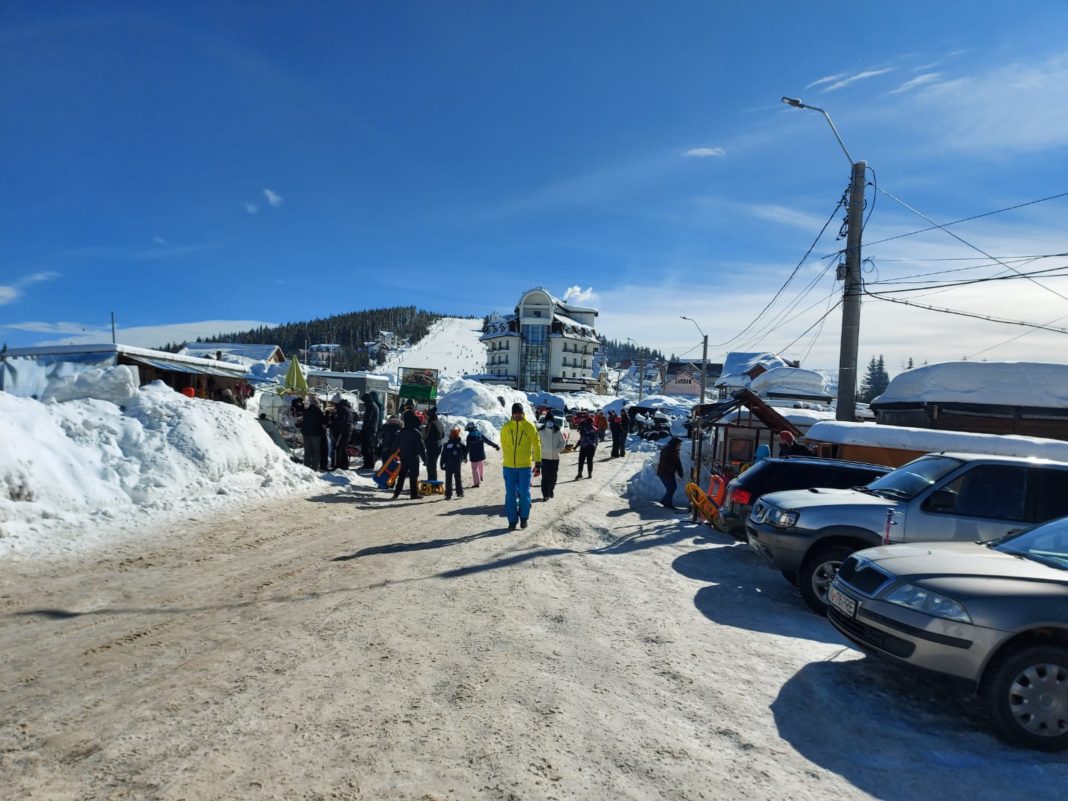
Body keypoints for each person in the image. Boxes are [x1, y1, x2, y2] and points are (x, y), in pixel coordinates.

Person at [499, 402, 541, 530]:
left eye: (519, 413)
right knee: (510, 495)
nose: (517, 415)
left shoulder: (529, 426)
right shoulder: (506, 427)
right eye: (515, 413)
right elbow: (503, 443)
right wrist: (508, 458)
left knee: (524, 493)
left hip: (524, 467)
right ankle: (512, 520)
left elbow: (536, 444)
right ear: (512, 414)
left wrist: (538, 462)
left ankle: (524, 518)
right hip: (509, 467)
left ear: (523, 413)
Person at [392, 410, 427, 500]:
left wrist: (393, 453)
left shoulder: (401, 431)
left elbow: (395, 444)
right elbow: (421, 447)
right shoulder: (416, 432)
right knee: (413, 475)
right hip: (413, 456)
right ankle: (413, 494)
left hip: (403, 455)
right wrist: (424, 459)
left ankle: (396, 493)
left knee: (402, 475)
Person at [537, 410, 566, 500]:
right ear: (545, 422)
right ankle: (545, 494)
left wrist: (557, 450)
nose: (549, 423)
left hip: (554, 458)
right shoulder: (541, 432)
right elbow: (537, 444)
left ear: (553, 422)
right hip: (544, 458)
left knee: (553, 477)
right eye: (547, 421)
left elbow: (563, 443)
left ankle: (551, 490)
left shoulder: (557, 431)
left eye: (551, 421)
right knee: (545, 477)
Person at [465, 421, 499, 488]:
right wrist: (495, 446)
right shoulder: (480, 433)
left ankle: (477, 483)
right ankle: (481, 476)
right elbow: (487, 441)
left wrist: (464, 456)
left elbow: (467, 448)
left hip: (473, 455)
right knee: (480, 465)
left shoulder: (469, 436)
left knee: (474, 468)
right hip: (481, 454)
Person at [439, 427, 469, 500]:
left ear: (450, 435)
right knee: (458, 478)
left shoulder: (446, 445)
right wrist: (464, 457)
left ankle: (448, 495)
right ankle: (460, 493)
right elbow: (466, 450)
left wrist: (441, 464)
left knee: (448, 479)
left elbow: (443, 455)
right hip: (457, 464)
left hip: (448, 464)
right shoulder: (460, 444)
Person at [657, 436, 684, 509]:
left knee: (671, 488)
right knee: (672, 488)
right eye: (678, 445)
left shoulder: (676, 452)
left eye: (680, 445)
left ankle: (665, 500)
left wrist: (680, 472)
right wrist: (672, 470)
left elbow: (678, 463)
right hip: (663, 473)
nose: (679, 446)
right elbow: (663, 463)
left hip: (670, 473)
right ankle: (667, 503)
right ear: (674, 444)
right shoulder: (665, 450)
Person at [301, 396, 326, 470]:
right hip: (315, 434)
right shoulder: (318, 411)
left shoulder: (306, 411)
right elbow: (323, 422)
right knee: (316, 451)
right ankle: (314, 467)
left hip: (306, 433)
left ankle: (306, 466)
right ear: (317, 404)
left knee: (307, 451)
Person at [330, 396, 355, 470]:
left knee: (339, 449)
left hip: (342, 432)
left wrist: (333, 421)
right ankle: (344, 465)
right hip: (347, 432)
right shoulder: (348, 409)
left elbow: (340, 421)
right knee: (343, 449)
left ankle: (338, 465)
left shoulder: (342, 409)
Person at [423, 407, 445, 482]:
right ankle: (433, 480)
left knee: (430, 465)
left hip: (432, 446)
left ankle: (431, 481)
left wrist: (425, 444)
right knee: (433, 463)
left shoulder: (431, 424)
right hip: (439, 445)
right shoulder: (439, 423)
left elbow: (426, 436)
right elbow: (443, 435)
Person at [360, 392, 381, 470]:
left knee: (367, 447)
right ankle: (370, 463)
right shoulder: (373, 405)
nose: (363, 403)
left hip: (369, 430)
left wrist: (364, 428)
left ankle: (368, 464)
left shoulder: (371, 406)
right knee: (370, 447)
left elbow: (368, 419)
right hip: (372, 429)